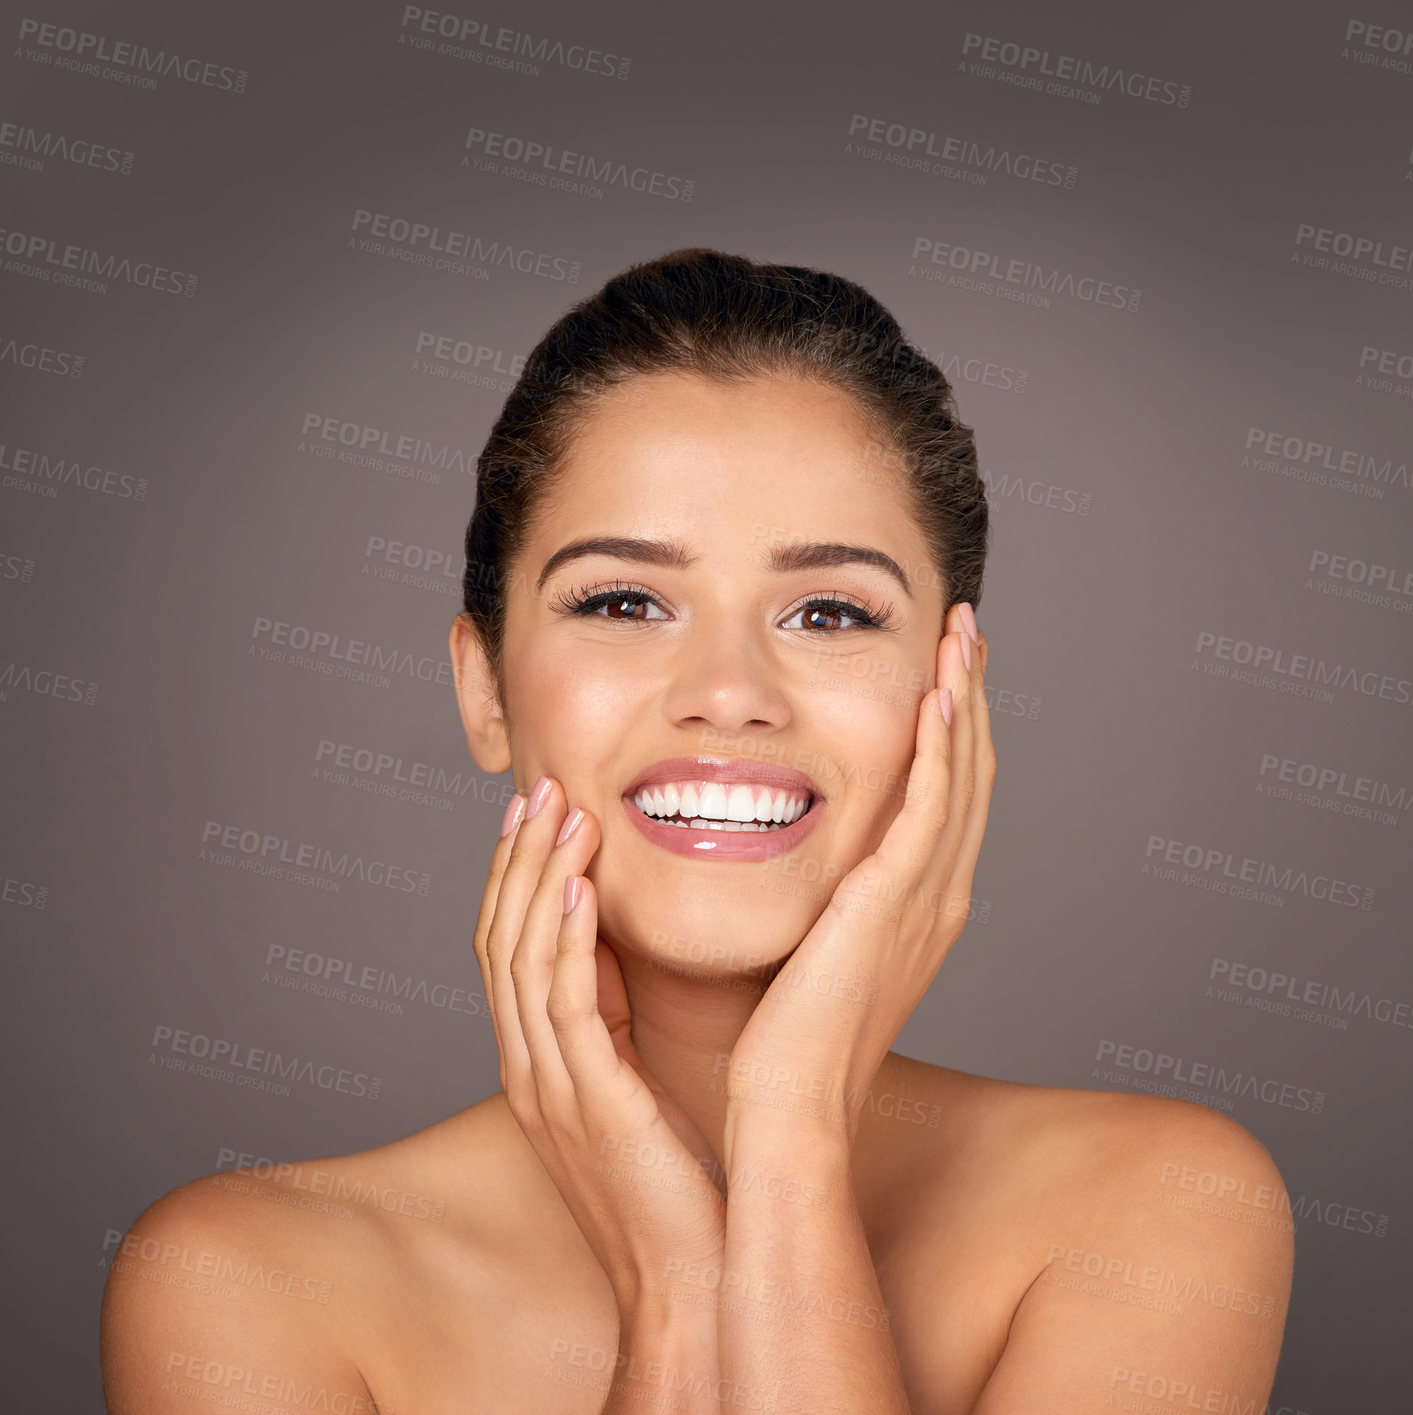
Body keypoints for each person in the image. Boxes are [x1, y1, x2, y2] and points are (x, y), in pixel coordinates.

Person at [101, 249, 1293, 1413]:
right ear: (485, 688)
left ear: (956, 689)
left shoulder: (1159, 1204)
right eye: (624, 600)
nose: (729, 689)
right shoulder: (247, 1283)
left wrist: (788, 1131)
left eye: (829, 611)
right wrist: (675, 1295)